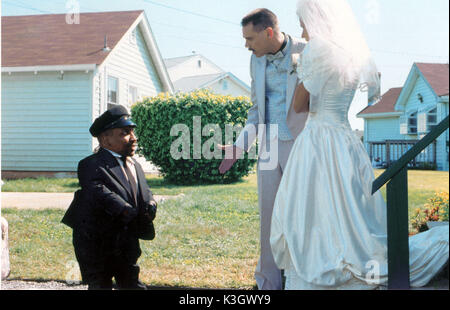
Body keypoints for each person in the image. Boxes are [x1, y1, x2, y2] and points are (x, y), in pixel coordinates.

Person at [270, 0, 449, 289]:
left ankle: (322, 260)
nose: (301, 29)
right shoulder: (352, 54)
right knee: (350, 208)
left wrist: (300, 74)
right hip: (345, 141)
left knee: (314, 206)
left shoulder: (317, 50)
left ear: (315, 19)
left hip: (319, 139)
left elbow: (300, 105)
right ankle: (348, 251)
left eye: (302, 21)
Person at [218, 8, 308, 290]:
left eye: (250, 38)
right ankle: (268, 283)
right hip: (268, 145)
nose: (246, 45)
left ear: (268, 32)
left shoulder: (307, 51)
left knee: (301, 213)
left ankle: (302, 278)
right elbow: (255, 112)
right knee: (268, 216)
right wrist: (237, 147)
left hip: (302, 143)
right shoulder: (254, 61)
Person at [62, 105, 157, 290]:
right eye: (125, 133)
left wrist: (150, 202)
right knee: (100, 284)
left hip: (125, 240)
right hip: (97, 242)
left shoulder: (134, 165)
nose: (133, 138)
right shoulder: (91, 165)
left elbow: (143, 189)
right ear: (106, 138)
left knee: (131, 282)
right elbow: (99, 192)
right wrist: (125, 208)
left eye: (132, 132)